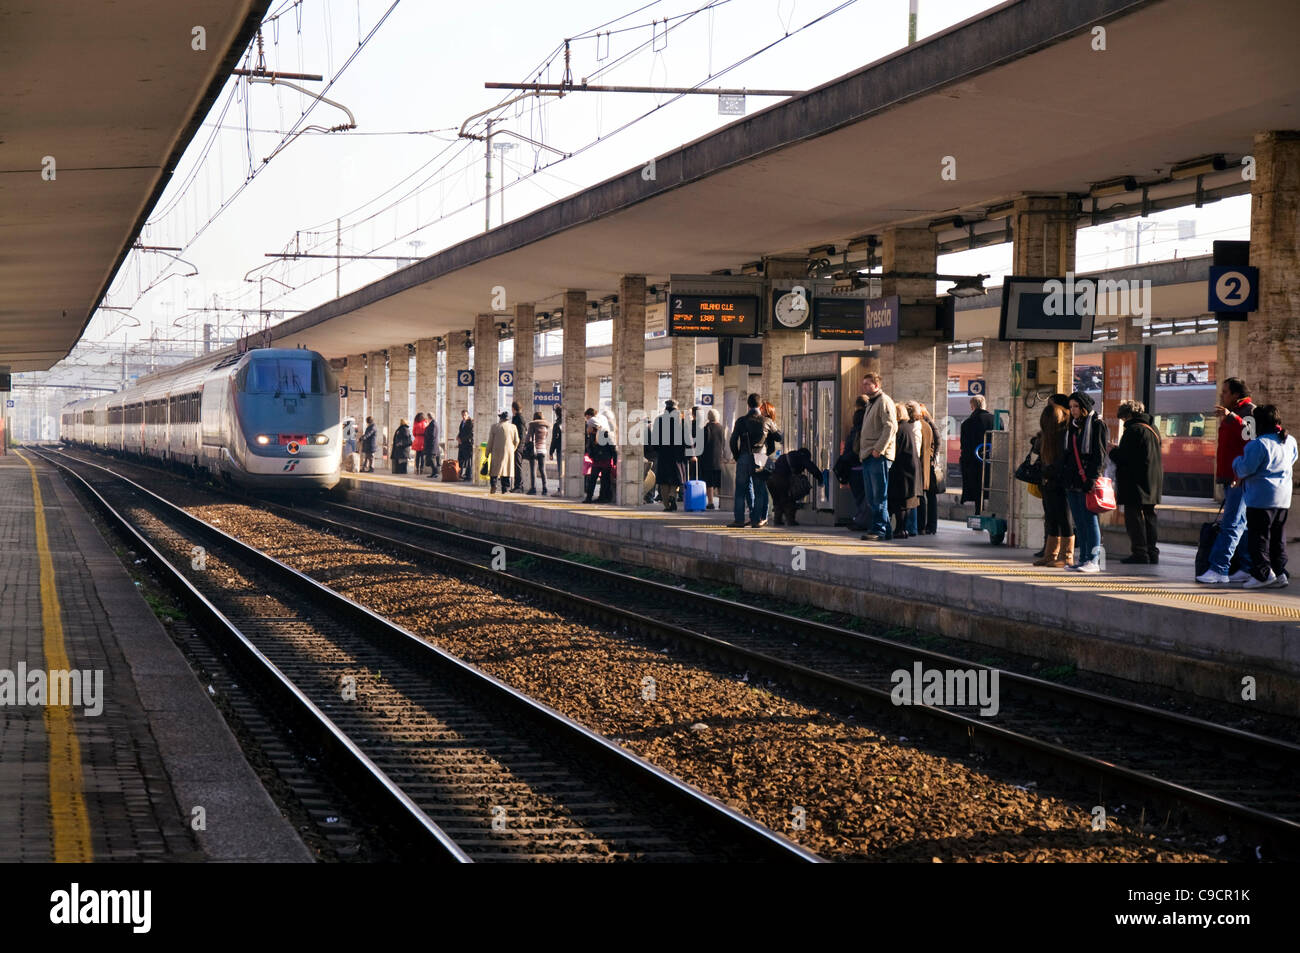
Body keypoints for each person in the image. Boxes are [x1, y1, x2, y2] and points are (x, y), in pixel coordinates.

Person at [1198, 378, 1257, 584]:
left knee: (1231, 523)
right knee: (1242, 524)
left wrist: (1231, 417)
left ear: (1235, 394)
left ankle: (1219, 568)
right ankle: (1247, 567)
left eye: (1225, 392)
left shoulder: (1249, 412)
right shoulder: (1234, 414)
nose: (1222, 396)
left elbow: (1251, 439)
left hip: (1239, 478)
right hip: (1230, 476)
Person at [1234, 405, 1296, 589]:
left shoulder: (1258, 444)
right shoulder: (1290, 440)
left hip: (1261, 498)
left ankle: (1263, 574)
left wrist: (1236, 461)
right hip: (1284, 497)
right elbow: (1292, 460)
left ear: (1258, 423)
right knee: (1278, 537)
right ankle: (1280, 572)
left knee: (1259, 538)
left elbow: (1246, 468)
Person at [1108, 399, 1163, 564]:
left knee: (1134, 517)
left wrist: (1112, 451)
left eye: (1124, 418)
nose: (1124, 422)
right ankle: (1152, 552)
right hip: (1152, 480)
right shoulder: (1153, 429)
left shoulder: (1133, 430)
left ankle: (1139, 552)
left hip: (1135, 482)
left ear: (1129, 415)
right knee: (1150, 516)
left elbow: (1124, 458)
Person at [1063, 391, 1110, 573]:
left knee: (1091, 521)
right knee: (1079, 522)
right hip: (1072, 480)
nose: (1073, 410)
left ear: (1084, 407)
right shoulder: (1073, 427)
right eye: (1071, 407)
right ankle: (1083, 559)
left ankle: (1094, 560)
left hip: (1086, 480)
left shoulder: (1097, 425)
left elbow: (1099, 454)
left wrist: (1092, 478)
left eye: (1076, 406)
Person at [856, 373, 897, 541]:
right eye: (863, 384)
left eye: (867, 384)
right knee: (872, 496)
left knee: (878, 495)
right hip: (868, 455)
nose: (864, 387)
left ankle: (878, 529)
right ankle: (885, 530)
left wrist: (878, 449)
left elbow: (890, 427)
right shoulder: (871, 403)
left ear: (876, 385)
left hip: (877, 456)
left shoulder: (884, 401)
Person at [728, 393, 779, 528]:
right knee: (759, 489)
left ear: (748, 405)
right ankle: (756, 520)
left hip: (744, 456)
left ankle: (739, 520)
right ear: (760, 405)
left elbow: (733, 441)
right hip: (760, 457)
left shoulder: (741, 421)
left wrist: (737, 456)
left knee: (740, 489)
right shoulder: (766, 421)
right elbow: (779, 436)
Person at [1035, 401, 1073, 568]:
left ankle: (1066, 556)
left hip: (1061, 482)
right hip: (1048, 482)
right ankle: (1050, 554)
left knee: (1064, 519)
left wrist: (1051, 474)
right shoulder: (1047, 436)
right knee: (1051, 518)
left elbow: (1063, 460)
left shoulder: (1065, 434)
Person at [888, 401, 921, 539]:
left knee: (899, 502)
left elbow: (895, 449)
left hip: (902, 469)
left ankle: (900, 529)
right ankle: (904, 529)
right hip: (912, 468)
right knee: (906, 503)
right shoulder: (908, 427)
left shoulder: (899, 429)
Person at [769, 447, 824, 526]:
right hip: (781, 479)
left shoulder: (785, 456)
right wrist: (820, 477)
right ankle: (790, 521)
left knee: (777, 500)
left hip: (771, 479)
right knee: (788, 499)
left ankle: (777, 520)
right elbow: (811, 467)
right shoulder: (801, 456)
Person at [960, 395, 995, 514]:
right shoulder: (996, 420)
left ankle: (977, 513)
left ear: (973, 406)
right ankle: (993, 513)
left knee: (976, 489)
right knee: (992, 488)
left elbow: (964, 447)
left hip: (974, 463)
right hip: (993, 462)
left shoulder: (967, 423)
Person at [836, 395, 867, 523]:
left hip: (854, 466)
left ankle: (860, 520)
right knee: (864, 497)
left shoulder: (857, 425)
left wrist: (844, 458)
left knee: (859, 497)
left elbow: (853, 448)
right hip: (861, 464)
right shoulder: (866, 420)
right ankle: (861, 519)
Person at [651, 400, 687, 511]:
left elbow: (654, 440)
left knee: (663, 480)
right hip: (678, 455)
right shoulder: (682, 421)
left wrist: (657, 449)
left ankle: (667, 505)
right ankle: (672, 494)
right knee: (677, 478)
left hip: (663, 454)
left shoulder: (659, 420)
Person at [918, 402, 942, 535]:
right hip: (929, 464)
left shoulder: (927, 425)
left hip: (928, 466)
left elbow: (937, 442)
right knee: (930, 496)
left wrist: (932, 459)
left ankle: (928, 525)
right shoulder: (930, 424)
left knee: (928, 495)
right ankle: (931, 526)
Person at [906, 401, 930, 537]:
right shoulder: (926, 425)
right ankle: (919, 527)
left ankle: (913, 527)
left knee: (912, 497)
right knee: (918, 497)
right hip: (920, 465)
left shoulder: (914, 426)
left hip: (913, 464)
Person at [487, 410, 518, 494]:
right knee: (506, 470)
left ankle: (493, 485)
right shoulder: (513, 427)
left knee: (494, 469)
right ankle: (505, 488)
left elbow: (490, 441)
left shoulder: (494, 426)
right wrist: (512, 449)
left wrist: (487, 453)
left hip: (496, 451)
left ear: (500, 418)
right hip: (509, 452)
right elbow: (516, 441)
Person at [590, 409, 618, 503]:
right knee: (593, 479)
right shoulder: (593, 435)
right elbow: (591, 447)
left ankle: (602, 498)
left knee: (604, 480)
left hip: (605, 460)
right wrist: (592, 455)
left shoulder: (606, 433)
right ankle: (590, 497)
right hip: (597, 460)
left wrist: (614, 460)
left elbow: (612, 447)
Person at [700, 408, 725, 510]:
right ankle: (721, 502)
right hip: (720, 459)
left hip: (707, 459)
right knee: (719, 482)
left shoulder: (705, 429)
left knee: (709, 481)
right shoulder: (722, 428)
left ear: (708, 418)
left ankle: (710, 502)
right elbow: (725, 443)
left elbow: (700, 445)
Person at [525, 411, 550, 495]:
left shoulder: (532, 425)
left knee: (533, 470)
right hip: (543, 450)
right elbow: (546, 437)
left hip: (534, 450)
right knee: (542, 470)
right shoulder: (545, 426)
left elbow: (528, 438)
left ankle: (533, 489)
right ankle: (545, 489)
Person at [511, 401, 527, 491]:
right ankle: (517, 485)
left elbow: (521, 433)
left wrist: (517, 445)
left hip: (518, 445)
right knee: (516, 465)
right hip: (518, 444)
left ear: (514, 408)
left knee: (517, 465)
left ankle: (519, 486)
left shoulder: (518, 418)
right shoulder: (518, 418)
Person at [456, 410, 474, 481]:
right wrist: (458, 436)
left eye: (465, 415)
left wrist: (462, 440)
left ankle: (468, 476)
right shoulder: (462, 422)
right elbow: (461, 431)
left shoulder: (470, 423)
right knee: (460, 460)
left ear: (468, 415)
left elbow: (470, 434)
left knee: (468, 461)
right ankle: (459, 474)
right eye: (463, 415)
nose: (464, 417)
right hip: (461, 445)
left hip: (467, 445)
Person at [549, 406, 563, 491]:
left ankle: (561, 487)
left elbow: (554, 438)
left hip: (560, 450)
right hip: (568, 450)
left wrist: (551, 452)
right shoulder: (567, 423)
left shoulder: (557, 424)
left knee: (561, 470)